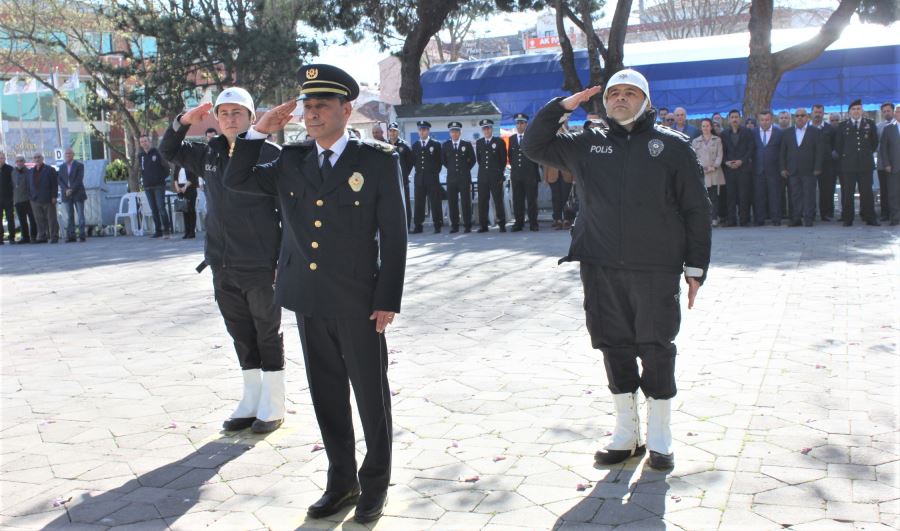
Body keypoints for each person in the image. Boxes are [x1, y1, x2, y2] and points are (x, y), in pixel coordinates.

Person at [224, 64, 407, 524]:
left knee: (370, 396)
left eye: (321, 105)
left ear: (346, 109)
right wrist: (258, 132)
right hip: (307, 297)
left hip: (360, 302)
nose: (311, 113)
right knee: (327, 397)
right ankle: (341, 481)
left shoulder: (377, 161)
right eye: (306, 106)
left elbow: (395, 235)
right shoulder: (290, 159)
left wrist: (388, 297)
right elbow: (237, 180)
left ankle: (375, 484)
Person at [522, 69, 711, 471]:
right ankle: (627, 435)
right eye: (613, 94)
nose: (620, 99)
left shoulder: (673, 146)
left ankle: (660, 436)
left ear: (646, 100)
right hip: (601, 263)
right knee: (613, 345)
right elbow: (534, 144)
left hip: (655, 267)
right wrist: (563, 106)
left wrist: (695, 269)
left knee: (656, 346)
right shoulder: (587, 143)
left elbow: (697, 211)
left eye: (630, 93)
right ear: (603, 101)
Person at [159, 87, 286, 434]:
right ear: (217, 118)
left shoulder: (270, 152)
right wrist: (183, 121)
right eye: (224, 113)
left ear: (251, 117)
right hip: (222, 260)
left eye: (238, 113)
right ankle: (251, 398)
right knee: (240, 333)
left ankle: (273, 402)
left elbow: (287, 212)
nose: (231, 119)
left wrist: (281, 258)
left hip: (260, 261)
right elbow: (168, 151)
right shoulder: (209, 152)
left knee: (266, 332)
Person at [835, 99, 880, 226]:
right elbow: (838, 145)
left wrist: (865, 154)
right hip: (848, 165)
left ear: (862, 110)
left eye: (858, 109)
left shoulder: (870, 124)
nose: (856, 111)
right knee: (848, 193)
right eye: (854, 109)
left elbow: (874, 143)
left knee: (867, 192)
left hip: (865, 164)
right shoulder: (843, 126)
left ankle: (869, 217)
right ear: (849, 112)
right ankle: (848, 218)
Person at [780, 107, 824, 227]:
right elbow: (783, 152)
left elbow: (819, 151)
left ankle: (808, 218)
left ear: (807, 117)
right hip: (792, 170)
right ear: (794, 118)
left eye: (802, 115)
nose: (800, 118)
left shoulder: (815, 132)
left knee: (809, 195)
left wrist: (817, 167)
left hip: (809, 170)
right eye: (797, 116)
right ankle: (796, 218)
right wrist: (783, 168)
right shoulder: (787, 133)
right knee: (795, 195)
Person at [720, 110, 755, 226]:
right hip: (729, 170)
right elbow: (722, 151)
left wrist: (742, 161)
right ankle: (732, 220)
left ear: (739, 118)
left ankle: (744, 219)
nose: (734, 119)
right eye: (732, 117)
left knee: (744, 195)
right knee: (730, 196)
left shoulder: (747, 132)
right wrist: (726, 162)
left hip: (744, 169)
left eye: (736, 117)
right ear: (729, 119)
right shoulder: (724, 134)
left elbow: (751, 149)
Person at [508, 113, 541, 231]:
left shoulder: (531, 137)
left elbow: (536, 155)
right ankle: (519, 222)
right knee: (518, 200)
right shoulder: (512, 139)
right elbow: (511, 157)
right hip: (517, 175)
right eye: (517, 123)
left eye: (522, 123)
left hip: (530, 174)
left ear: (526, 124)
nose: (519, 125)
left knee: (532, 200)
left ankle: (533, 222)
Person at [441, 121, 475, 232]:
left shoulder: (467, 144)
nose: (454, 133)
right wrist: (452, 170)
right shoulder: (446, 145)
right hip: (451, 178)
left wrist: (464, 169)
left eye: (456, 131)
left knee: (465, 202)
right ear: (450, 133)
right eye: (452, 131)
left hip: (464, 178)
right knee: (452, 202)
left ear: (460, 132)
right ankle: (454, 226)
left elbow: (473, 160)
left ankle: (467, 225)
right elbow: (444, 161)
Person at [411, 120, 443, 234]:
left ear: (428, 131)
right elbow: (414, 162)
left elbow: (440, 161)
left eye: (424, 129)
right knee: (419, 203)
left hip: (432, 178)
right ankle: (418, 226)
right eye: (420, 130)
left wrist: (433, 173)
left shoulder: (435, 144)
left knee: (435, 202)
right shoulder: (415, 145)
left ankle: (437, 224)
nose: (422, 132)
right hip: (419, 179)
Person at [475, 118, 507, 232]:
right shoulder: (479, 143)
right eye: (484, 128)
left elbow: (503, 160)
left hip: (495, 176)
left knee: (498, 200)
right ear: (482, 130)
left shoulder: (499, 142)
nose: (486, 130)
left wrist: (499, 174)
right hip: (483, 176)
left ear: (491, 129)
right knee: (483, 201)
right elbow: (479, 160)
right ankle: (483, 225)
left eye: (488, 128)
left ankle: (501, 224)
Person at [753, 110, 784, 225]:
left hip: (774, 170)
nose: (764, 122)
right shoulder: (753, 133)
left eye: (767, 120)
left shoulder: (779, 133)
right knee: (759, 195)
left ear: (771, 120)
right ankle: (759, 219)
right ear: (759, 121)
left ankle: (776, 219)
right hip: (758, 169)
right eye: (762, 120)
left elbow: (782, 152)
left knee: (775, 195)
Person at [692, 118, 725, 226]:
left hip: (714, 172)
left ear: (711, 127)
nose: (705, 128)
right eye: (703, 126)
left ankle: (714, 218)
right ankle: (705, 218)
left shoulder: (717, 140)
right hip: (702, 174)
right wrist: (701, 168)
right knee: (703, 198)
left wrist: (714, 166)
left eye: (707, 126)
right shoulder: (695, 141)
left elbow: (720, 155)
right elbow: (693, 157)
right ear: (701, 128)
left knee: (714, 197)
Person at [138, 135, 172, 238]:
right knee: (153, 209)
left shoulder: (157, 153)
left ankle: (167, 230)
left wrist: (160, 178)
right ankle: (158, 231)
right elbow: (142, 170)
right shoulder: (141, 156)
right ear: (140, 144)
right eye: (142, 142)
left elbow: (167, 168)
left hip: (159, 185)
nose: (144, 143)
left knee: (161, 208)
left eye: (145, 141)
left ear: (149, 141)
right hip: (148, 186)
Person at [544, 125, 574, 230]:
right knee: (555, 198)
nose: (560, 131)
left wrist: (575, 177)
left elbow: (574, 160)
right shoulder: (550, 142)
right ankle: (557, 219)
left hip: (567, 173)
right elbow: (546, 161)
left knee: (566, 198)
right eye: (558, 129)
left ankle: (567, 219)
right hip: (553, 173)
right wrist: (545, 177)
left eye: (562, 129)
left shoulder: (570, 142)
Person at [811, 104, 838, 221]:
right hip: (810, 164)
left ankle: (826, 213)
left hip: (827, 164)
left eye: (820, 112)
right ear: (811, 113)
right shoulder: (806, 129)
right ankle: (810, 213)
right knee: (809, 190)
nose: (817, 114)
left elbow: (835, 146)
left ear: (823, 114)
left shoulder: (830, 129)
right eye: (816, 112)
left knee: (827, 190)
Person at [386, 122, 414, 229]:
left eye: (394, 131)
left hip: (402, 180)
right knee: (389, 204)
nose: (392, 133)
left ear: (398, 132)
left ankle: (406, 226)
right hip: (388, 181)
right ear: (388, 132)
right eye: (391, 131)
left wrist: (404, 173)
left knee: (405, 204)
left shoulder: (405, 145)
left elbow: (410, 162)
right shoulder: (384, 145)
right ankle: (393, 226)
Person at [877, 104, 900, 225]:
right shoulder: (888, 128)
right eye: (897, 111)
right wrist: (886, 164)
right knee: (893, 193)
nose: (898, 113)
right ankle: (895, 218)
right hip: (893, 166)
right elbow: (883, 149)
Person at [29, 153, 59, 243]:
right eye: (35, 157)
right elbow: (28, 185)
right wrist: (30, 197)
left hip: (48, 198)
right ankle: (42, 236)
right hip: (35, 199)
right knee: (39, 219)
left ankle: (54, 236)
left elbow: (54, 184)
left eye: (39, 157)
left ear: (42, 158)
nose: (37, 159)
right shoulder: (30, 171)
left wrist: (54, 196)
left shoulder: (50, 170)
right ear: (33, 160)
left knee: (51, 219)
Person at [58, 148, 87, 242]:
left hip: (78, 193)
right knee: (70, 215)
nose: (67, 155)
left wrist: (71, 189)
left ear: (73, 154)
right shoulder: (62, 167)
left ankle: (82, 234)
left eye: (69, 153)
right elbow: (60, 180)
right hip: (66, 194)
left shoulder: (79, 165)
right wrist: (66, 189)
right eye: (66, 153)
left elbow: (79, 179)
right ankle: (71, 235)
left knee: (80, 215)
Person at [11, 155, 36, 243]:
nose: (19, 162)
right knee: (22, 220)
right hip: (18, 200)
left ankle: (34, 236)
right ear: (15, 162)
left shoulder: (29, 172)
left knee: (32, 219)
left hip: (28, 200)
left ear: (24, 162)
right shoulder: (13, 172)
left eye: (21, 161)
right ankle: (25, 237)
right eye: (17, 161)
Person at [172, 163, 199, 239]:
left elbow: (193, 178)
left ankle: (192, 231)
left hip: (190, 188)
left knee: (191, 210)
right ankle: (186, 231)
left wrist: (185, 187)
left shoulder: (190, 164)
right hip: (180, 189)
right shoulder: (178, 165)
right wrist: (177, 187)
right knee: (184, 210)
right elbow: (175, 177)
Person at [0, 152, 14, 244]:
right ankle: (0, 239)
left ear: (5, 159)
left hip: (8, 198)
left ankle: (11, 238)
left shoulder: (10, 169)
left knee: (10, 218)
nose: (0, 160)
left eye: (2, 158)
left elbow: (13, 183)